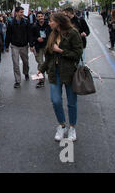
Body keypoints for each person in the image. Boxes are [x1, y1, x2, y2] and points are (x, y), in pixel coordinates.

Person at [37, 13, 83, 142]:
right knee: (56, 100)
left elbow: (77, 53)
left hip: (69, 72)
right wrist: (41, 70)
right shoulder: (52, 34)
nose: (49, 23)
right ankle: (62, 125)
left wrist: (61, 51)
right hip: (54, 72)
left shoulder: (73, 33)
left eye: (51, 21)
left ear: (58, 22)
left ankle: (72, 127)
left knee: (71, 102)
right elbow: (49, 55)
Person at [5, 6, 32, 88]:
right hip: (14, 46)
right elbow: (8, 34)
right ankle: (17, 81)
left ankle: (26, 73)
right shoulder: (11, 22)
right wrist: (6, 46)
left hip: (24, 45)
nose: (22, 14)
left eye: (22, 12)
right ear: (16, 13)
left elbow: (29, 34)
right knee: (15, 63)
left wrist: (31, 45)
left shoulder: (26, 22)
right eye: (20, 12)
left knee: (25, 62)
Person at [30, 11, 51, 88]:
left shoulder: (48, 25)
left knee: (49, 62)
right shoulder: (34, 26)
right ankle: (41, 80)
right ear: (36, 18)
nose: (40, 18)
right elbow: (31, 36)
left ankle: (50, 76)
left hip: (47, 46)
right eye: (38, 16)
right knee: (40, 63)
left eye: (41, 16)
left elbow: (52, 34)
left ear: (44, 16)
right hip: (38, 47)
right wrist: (34, 41)